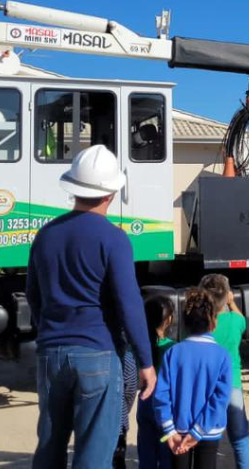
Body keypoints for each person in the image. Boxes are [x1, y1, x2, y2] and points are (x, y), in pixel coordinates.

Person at [26, 144, 156, 468]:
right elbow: (129, 304)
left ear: (73, 189)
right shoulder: (114, 238)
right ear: (112, 192)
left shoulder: (45, 234)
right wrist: (145, 362)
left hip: (50, 354)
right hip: (98, 352)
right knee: (94, 453)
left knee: (49, 446)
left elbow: (33, 295)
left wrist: (51, 332)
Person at [154, 287, 232, 469]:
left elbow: (161, 394)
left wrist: (169, 430)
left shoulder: (173, 353)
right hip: (209, 430)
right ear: (213, 321)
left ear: (185, 323)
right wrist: (198, 432)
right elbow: (221, 398)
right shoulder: (222, 355)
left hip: (177, 431)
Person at [199, 274, 249, 469]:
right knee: (240, 439)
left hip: (208, 387)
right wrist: (232, 303)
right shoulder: (234, 321)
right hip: (233, 386)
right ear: (227, 295)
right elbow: (242, 322)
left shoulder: (204, 323)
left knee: (206, 440)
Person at [137, 294, 177, 469]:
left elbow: (137, 381)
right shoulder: (174, 348)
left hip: (144, 403)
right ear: (169, 320)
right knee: (166, 454)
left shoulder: (139, 347)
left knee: (146, 455)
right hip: (166, 406)